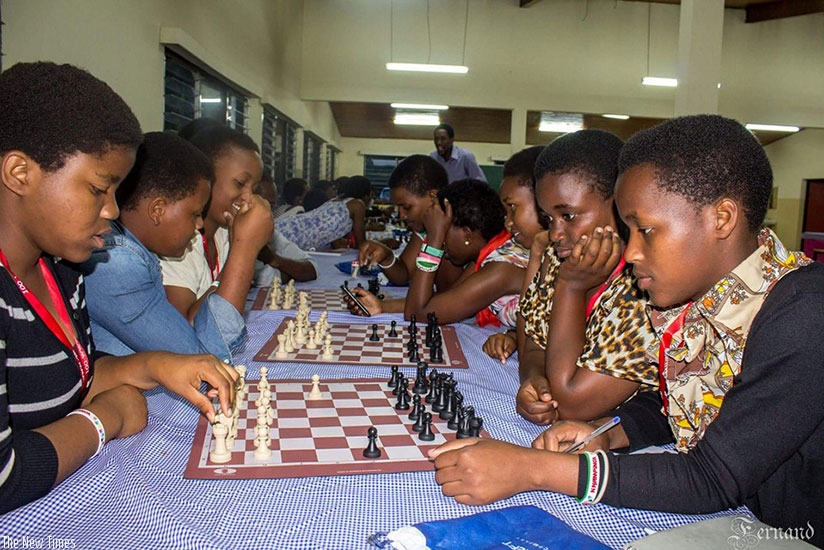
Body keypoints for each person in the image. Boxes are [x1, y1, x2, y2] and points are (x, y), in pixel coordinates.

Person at [429, 115, 824, 546]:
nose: (632, 250)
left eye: (646, 230)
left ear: (722, 218)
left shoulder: (805, 313)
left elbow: (713, 478)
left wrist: (532, 470)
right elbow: (695, 403)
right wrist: (611, 430)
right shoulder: (710, 296)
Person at [0, 61, 236, 513]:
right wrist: (107, 417)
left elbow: (75, 376)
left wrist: (153, 366)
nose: (112, 211)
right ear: (19, 173)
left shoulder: (61, 270)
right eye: (98, 189)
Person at [486, 131, 658, 424]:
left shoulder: (645, 286)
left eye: (568, 216)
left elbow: (570, 405)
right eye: (548, 218)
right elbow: (531, 342)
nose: (555, 234)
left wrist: (571, 287)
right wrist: (535, 380)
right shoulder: (561, 255)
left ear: (619, 205)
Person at [79, 132, 243, 361]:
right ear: (157, 210)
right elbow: (196, 359)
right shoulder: (114, 262)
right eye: (195, 214)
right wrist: (243, 249)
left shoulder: (134, 253)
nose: (199, 225)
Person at [349, 179, 532, 327]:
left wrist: (435, 241)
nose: (442, 246)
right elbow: (444, 302)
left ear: (467, 234)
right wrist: (382, 306)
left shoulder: (500, 268)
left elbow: (418, 313)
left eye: (443, 234)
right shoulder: (486, 257)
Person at [160, 126, 273, 326]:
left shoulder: (224, 233)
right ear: (204, 178)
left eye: (254, 189)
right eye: (239, 183)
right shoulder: (175, 240)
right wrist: (242, 249)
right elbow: (188, 326)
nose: (248, 197)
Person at [357, 155, 464, 292]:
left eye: (407, 207)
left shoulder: (458, 232)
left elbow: (448, 297)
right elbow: (404, 275)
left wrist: (435, 239)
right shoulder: (424, 230)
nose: (401, 216)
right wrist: (386, 257)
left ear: (433, 197)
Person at [253, 173, 318, 286]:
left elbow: (312, 268)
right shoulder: (227, 236)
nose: (267, 213)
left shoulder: (271, 233)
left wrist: (274, 259)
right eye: (261, 204)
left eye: (271, 206)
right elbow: (262, 279)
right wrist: (289, 273)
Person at [273, 177, 367, 250]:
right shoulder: (358, 205)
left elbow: (334, 239)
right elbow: (361, 244)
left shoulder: (335, 201)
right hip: (298, 235)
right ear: (365, 194)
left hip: (290, 225)